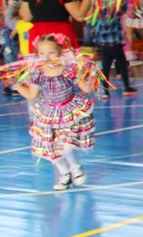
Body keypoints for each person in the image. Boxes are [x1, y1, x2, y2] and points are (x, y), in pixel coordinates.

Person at [9, 34, 98, 192]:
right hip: (48, 114)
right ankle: (65, 175)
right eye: (42, 53)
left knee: (66, 146)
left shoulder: (68, 70)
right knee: (50, 148)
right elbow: (31, 95)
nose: (46, 57)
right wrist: (16, 84)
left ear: (60, 53)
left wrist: (90, 75)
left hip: (68, 111)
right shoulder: (38, 74)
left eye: (51, 53)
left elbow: (87, 89)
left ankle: (75, 168)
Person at [90, 2, 137, 98]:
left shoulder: (101, 18)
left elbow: (97, 33)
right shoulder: (116, 16)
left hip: (104, 47)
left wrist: (97, 44)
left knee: (105, 69)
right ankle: (127, 88)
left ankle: (105, 92)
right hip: (116, 46)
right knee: (123, 66)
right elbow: (125, 7)